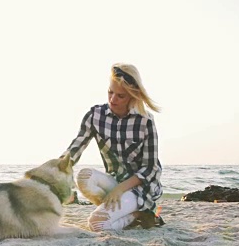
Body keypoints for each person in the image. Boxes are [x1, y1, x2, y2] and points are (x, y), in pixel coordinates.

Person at [62, 63, 165, 231]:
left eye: (120, 96)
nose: (112, 100)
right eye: (110, 92)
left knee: (97, 224)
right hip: (114, 180)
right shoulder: (95, 115)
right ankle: (119, 210)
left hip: (140, 188)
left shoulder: (145, 121)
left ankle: (139, 213)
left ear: (133, 96)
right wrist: (53, 171)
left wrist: (120, 189)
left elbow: (150, 168)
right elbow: (75, 148)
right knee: (84, 176)